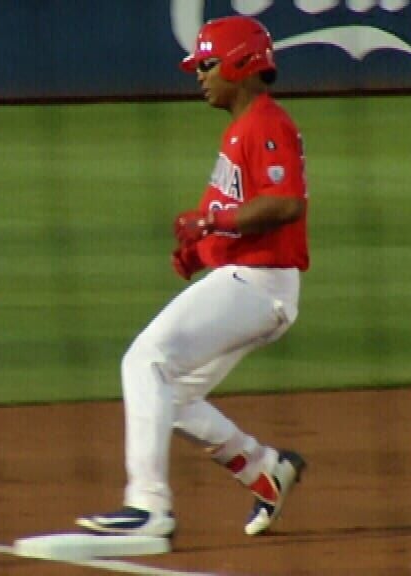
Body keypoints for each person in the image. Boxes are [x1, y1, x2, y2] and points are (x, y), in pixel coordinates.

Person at [76, 15, 309, 539]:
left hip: (260, 284)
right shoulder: (240, 130)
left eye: (206, 65)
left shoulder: (268, 124)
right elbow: (227, 214)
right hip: (246, 280)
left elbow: (285, 203)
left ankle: (148, 506)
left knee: (145, 360)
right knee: (169, 396)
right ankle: (263, 469)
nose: (199, 76)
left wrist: (214, 222)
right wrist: (199, 250)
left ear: (240, 64)